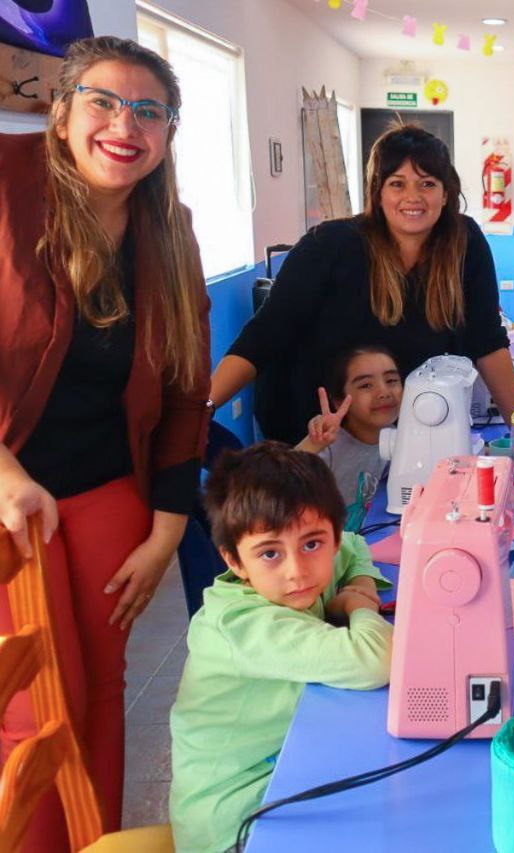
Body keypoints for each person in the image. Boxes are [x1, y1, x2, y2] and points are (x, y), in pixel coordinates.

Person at [0, 36, 210, 846]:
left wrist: (166, 529)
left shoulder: (168, 229)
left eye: (150, 111)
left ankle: (100, 845)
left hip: (107, 488)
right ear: (62, 113)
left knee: (98, 691)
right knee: (34, 707)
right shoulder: (10, 185)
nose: (127, 124)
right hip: (12, 484)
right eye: (104, 101)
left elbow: (188, 388)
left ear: (167, 134)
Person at [210, 123, 514, 443]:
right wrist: (203, 409)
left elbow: (487, 342)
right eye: (397, 184)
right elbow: (263, 337)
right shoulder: (329, 245)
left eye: (427, 183)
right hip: (307, 434)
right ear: (378, 192)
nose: (412, 197)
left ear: (445, 194)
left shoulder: (464, 243)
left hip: (397, 432)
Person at [169, 442, 392, 853]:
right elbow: (377, 660)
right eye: (270, 553)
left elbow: (355, 546)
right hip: (238, 824)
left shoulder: (310, 565)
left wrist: (358, 583)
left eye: (312, 544)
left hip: (287, 775)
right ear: (234, 562)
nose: (297, 571)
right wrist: (361, 606)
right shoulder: (241, 624)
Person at [296, 344, 403, 531]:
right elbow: (273, 484)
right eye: (366, 385)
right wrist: (312, 445)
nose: (384, 392)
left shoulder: (405, 435)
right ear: (338, 401)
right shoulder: (329, 449)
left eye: (392, 380)